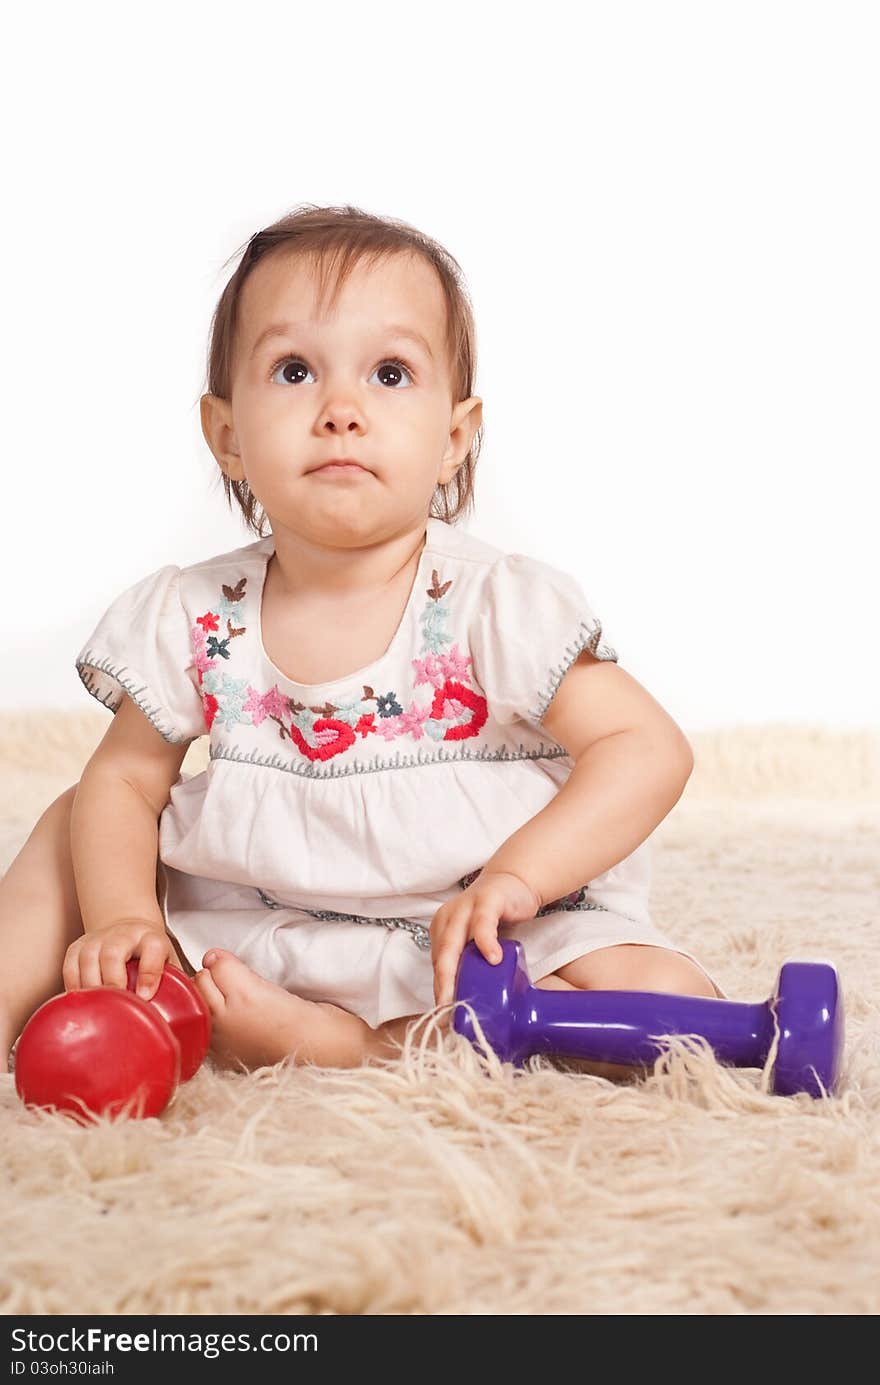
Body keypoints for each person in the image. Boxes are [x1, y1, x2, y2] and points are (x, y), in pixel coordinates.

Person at [0, 203, 724, 1081]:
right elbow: (123, 779)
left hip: (477, 932)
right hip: (257, 930)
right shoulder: (196, 613)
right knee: (72, 820)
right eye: (295, 369)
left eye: (388, 373)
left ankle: (351, 1046)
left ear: (455, 438)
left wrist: (520, 877)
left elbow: (646, 749)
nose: (341, 408)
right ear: (227, 435)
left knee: (665, 1000)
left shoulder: (492, 604)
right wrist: (126, 916)